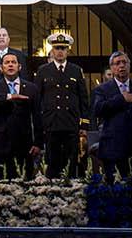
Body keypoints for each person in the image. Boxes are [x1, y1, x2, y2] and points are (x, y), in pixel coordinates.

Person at [0, 51, 42, 179]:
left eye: (13, 62)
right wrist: (9, 96)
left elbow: (38, 117)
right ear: (1, 68)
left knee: (25, 184)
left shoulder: (32, 88)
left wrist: (38, 143)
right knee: (1, 185)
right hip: (0, 143)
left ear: (19, 67)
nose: (10, 65)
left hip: (25, 144)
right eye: (7, 62)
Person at [37, 30, 90, 176]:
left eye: (63, 48)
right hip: (51, 123)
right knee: (52, 163)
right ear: (52, 50)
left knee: (71, 162)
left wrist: (84, 124)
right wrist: (40, 123)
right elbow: (38, 100)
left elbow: (83, 99)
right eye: (57, 48)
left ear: (68, 51)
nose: (60, 52)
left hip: (71, 123)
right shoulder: (43, 71)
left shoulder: (76, 71)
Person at [92, 50, 132, 177]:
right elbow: (98, 109)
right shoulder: (102, 89)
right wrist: (121, 99)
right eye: (117, 63)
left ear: (129, 66)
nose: (121, 66)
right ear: (112, 68)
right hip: (112, 148)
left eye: (124, 62)